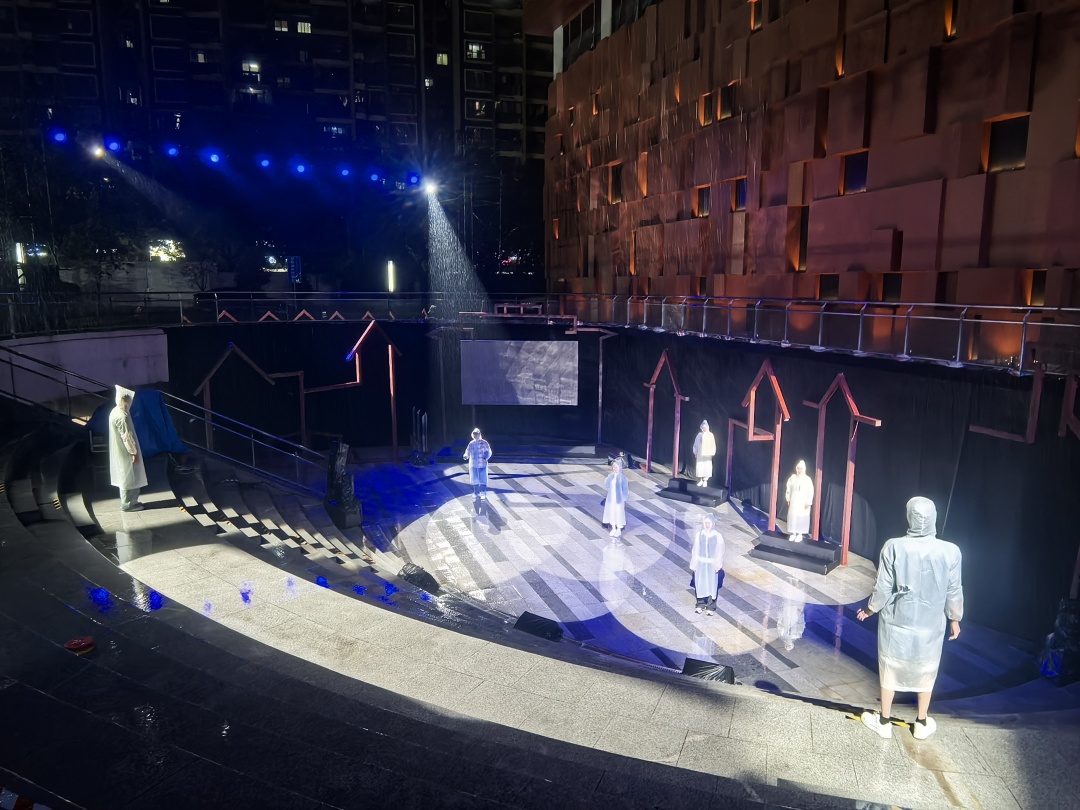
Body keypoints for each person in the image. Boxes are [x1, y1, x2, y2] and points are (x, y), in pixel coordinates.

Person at [856, 496, 963, 740]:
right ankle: (922, 722)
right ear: (934, 517)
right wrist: (955, 619)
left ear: (909, 516)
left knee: (890, 667)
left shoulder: (893, 546)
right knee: (927, 669)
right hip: (930, 626)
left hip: (897, 622)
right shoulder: (951, 551)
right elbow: (954, 589)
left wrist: (871, 608)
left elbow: (883, 586)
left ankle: (884, 721)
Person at [109, 386, 147, 513]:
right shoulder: (122, 416)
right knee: (130, 477)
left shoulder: (115, 411)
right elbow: (127, 437)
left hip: (120, 451)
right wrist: (133, 453)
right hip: (126, 452)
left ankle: (129, 502)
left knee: (125, 476)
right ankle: (129, 504)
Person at [690, 513, 725, 614]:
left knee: (711, 585)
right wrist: (694, 562)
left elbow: (720, 550)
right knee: (700, 583)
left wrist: (718, 563)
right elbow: (695, 549)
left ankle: (710, 606)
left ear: (712, 523)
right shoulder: (700, 535)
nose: (707, 525)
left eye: (709, 523)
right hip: (701, 563)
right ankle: (700, 603)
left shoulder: (717, 536)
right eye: (705, 523)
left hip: (711, 564)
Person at [784, 460, 814, 542]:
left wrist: (808, 502)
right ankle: (793, 533)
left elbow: (810, 491)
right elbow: (788, 489)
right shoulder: (793, 478)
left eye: (801, 468)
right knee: (793, 516)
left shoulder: (807, 479)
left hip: (803, 503)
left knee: (801, 517)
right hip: (794, 502)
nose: (799, 470)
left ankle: (800, 534)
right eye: (798, 468)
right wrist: (788, 499)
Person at [602, 457, 629, 537]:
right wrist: (610, 476)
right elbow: (606, 484)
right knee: (612, 512)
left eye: (616, 467)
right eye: (613, 467)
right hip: (611, 499)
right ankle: (613, 527)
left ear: (619, 468)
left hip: (619, 500)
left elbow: (625, 489)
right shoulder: (611, 476)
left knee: (618, 513)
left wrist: (623, 498)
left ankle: (619, 529)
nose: (614, 469)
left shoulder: (623, 478)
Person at [463, 428, 492, 500]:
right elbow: (467, 451)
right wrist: (466, 456)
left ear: (479, 434)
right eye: (474, 434)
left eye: (476, 434)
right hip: (474, 465)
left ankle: (483, 493)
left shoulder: (484, 443)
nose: (475, 435)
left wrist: (486, 457)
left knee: (482, 479)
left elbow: (488, 451)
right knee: (475, 479)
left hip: (482, 464)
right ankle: (476, 493)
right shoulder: (471, 443)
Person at [692, 420, 716, 487]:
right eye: (703, 428)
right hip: (700, 454)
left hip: (707, 455)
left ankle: (705, 480)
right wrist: (695, 452)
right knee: (700, 467)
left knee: (707, 467)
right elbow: (696, 444)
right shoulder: (699, 435)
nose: (704, 429)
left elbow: (713, 444)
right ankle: (700, 480)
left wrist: (712, 452)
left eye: (705, 428)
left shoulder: (711, 435)